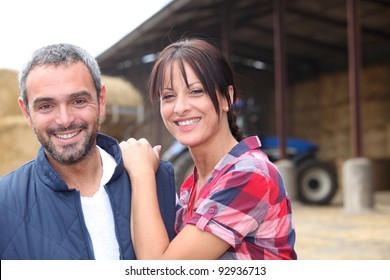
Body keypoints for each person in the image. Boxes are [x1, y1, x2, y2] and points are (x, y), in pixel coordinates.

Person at [120, 38, 297, 260]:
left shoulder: (250, 174)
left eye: (196, 91)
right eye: (168, 96)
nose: (181, 107)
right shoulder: (191, 186)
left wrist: (141, 173)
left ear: (227, 98)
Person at [0, 43, 176, 260]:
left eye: (78, 101)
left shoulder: (159, 179)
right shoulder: (5, 204)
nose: (65, 120)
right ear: (26, 112)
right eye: (46, 106)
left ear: (101, 101)